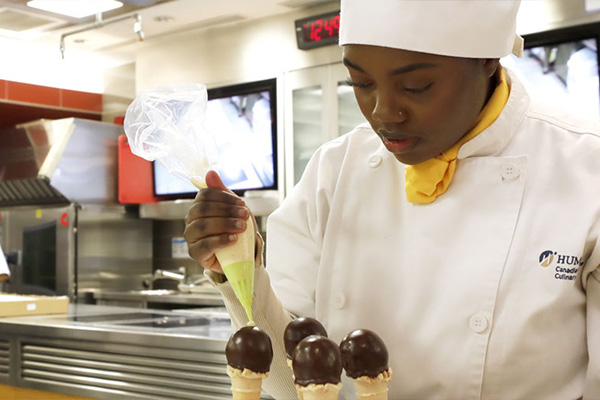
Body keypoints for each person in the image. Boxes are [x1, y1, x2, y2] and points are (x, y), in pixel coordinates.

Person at [184, 0, 600, 398]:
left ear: (489, 58)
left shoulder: (584, 167)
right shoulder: (334, 173)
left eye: (416, 86)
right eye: (361, 83)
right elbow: (290, 384)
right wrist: (238, 265)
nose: (383, 112)